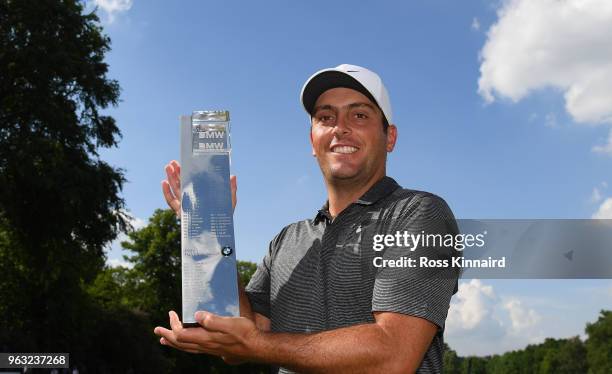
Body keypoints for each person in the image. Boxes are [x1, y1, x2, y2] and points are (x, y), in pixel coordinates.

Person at [156, 64, 459, 373]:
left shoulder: (420, 213)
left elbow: (393, 356)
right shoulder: (285, 241)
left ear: (389, 137)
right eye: (326, 117)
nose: (339, 128)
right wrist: (209, 230)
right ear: (313, 140)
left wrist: (258, 344)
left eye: (359, 115)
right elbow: (240, 340)